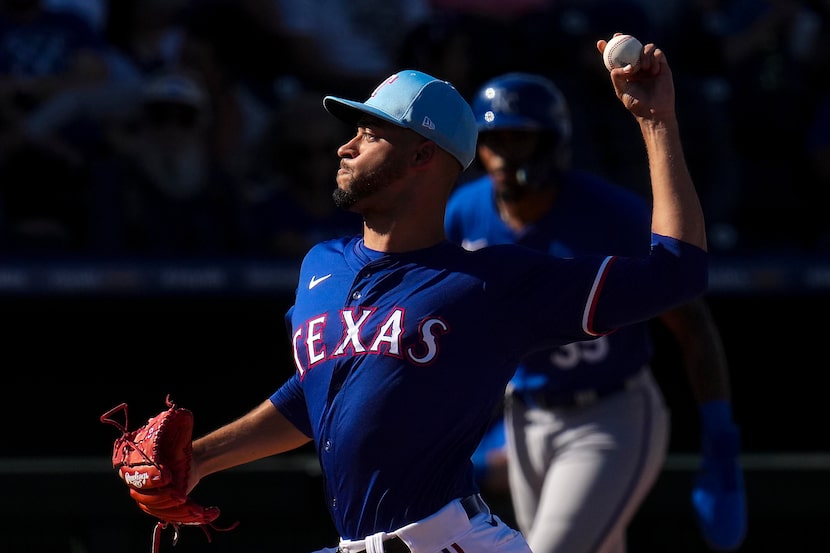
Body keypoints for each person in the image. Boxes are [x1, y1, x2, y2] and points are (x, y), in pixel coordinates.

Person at [180, 36, 709, 553]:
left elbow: (677, 275)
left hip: (449, 539)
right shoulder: (321, 264)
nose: (345, 145)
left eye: (370, 132)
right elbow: (314, 396)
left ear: (421, 156)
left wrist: (656, 122)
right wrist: (197, 459)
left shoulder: (487, 283)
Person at [445, 72, 746, 552]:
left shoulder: (611, 214)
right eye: (489, 140)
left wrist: (720, 440)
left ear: (551, 143)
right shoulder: (464, 212)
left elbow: (691, 322)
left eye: (516, 138)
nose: (500, 156)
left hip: (612, 414)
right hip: (525, 420)